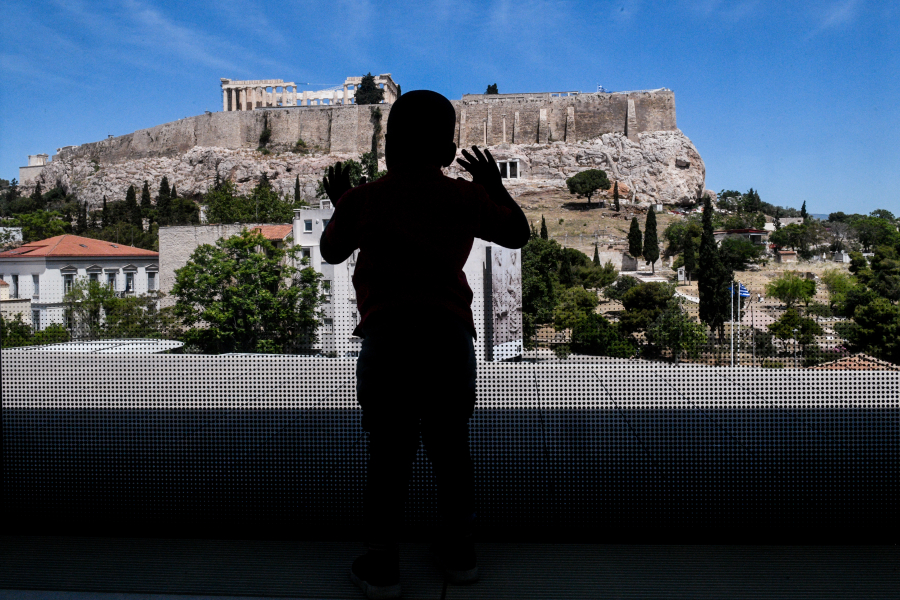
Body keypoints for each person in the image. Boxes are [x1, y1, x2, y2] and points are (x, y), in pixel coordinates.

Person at [319, 89, 530, 599]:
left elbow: (330, 249)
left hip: (388, 339)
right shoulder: (463, 197)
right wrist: (494, 186)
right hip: (448, 337)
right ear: (447, 150)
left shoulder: (366, 198)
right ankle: (459, 555)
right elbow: (519, 234)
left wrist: (342, 202)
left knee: (388, 453)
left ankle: (382, 564)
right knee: (451, 449)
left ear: (388, 145)